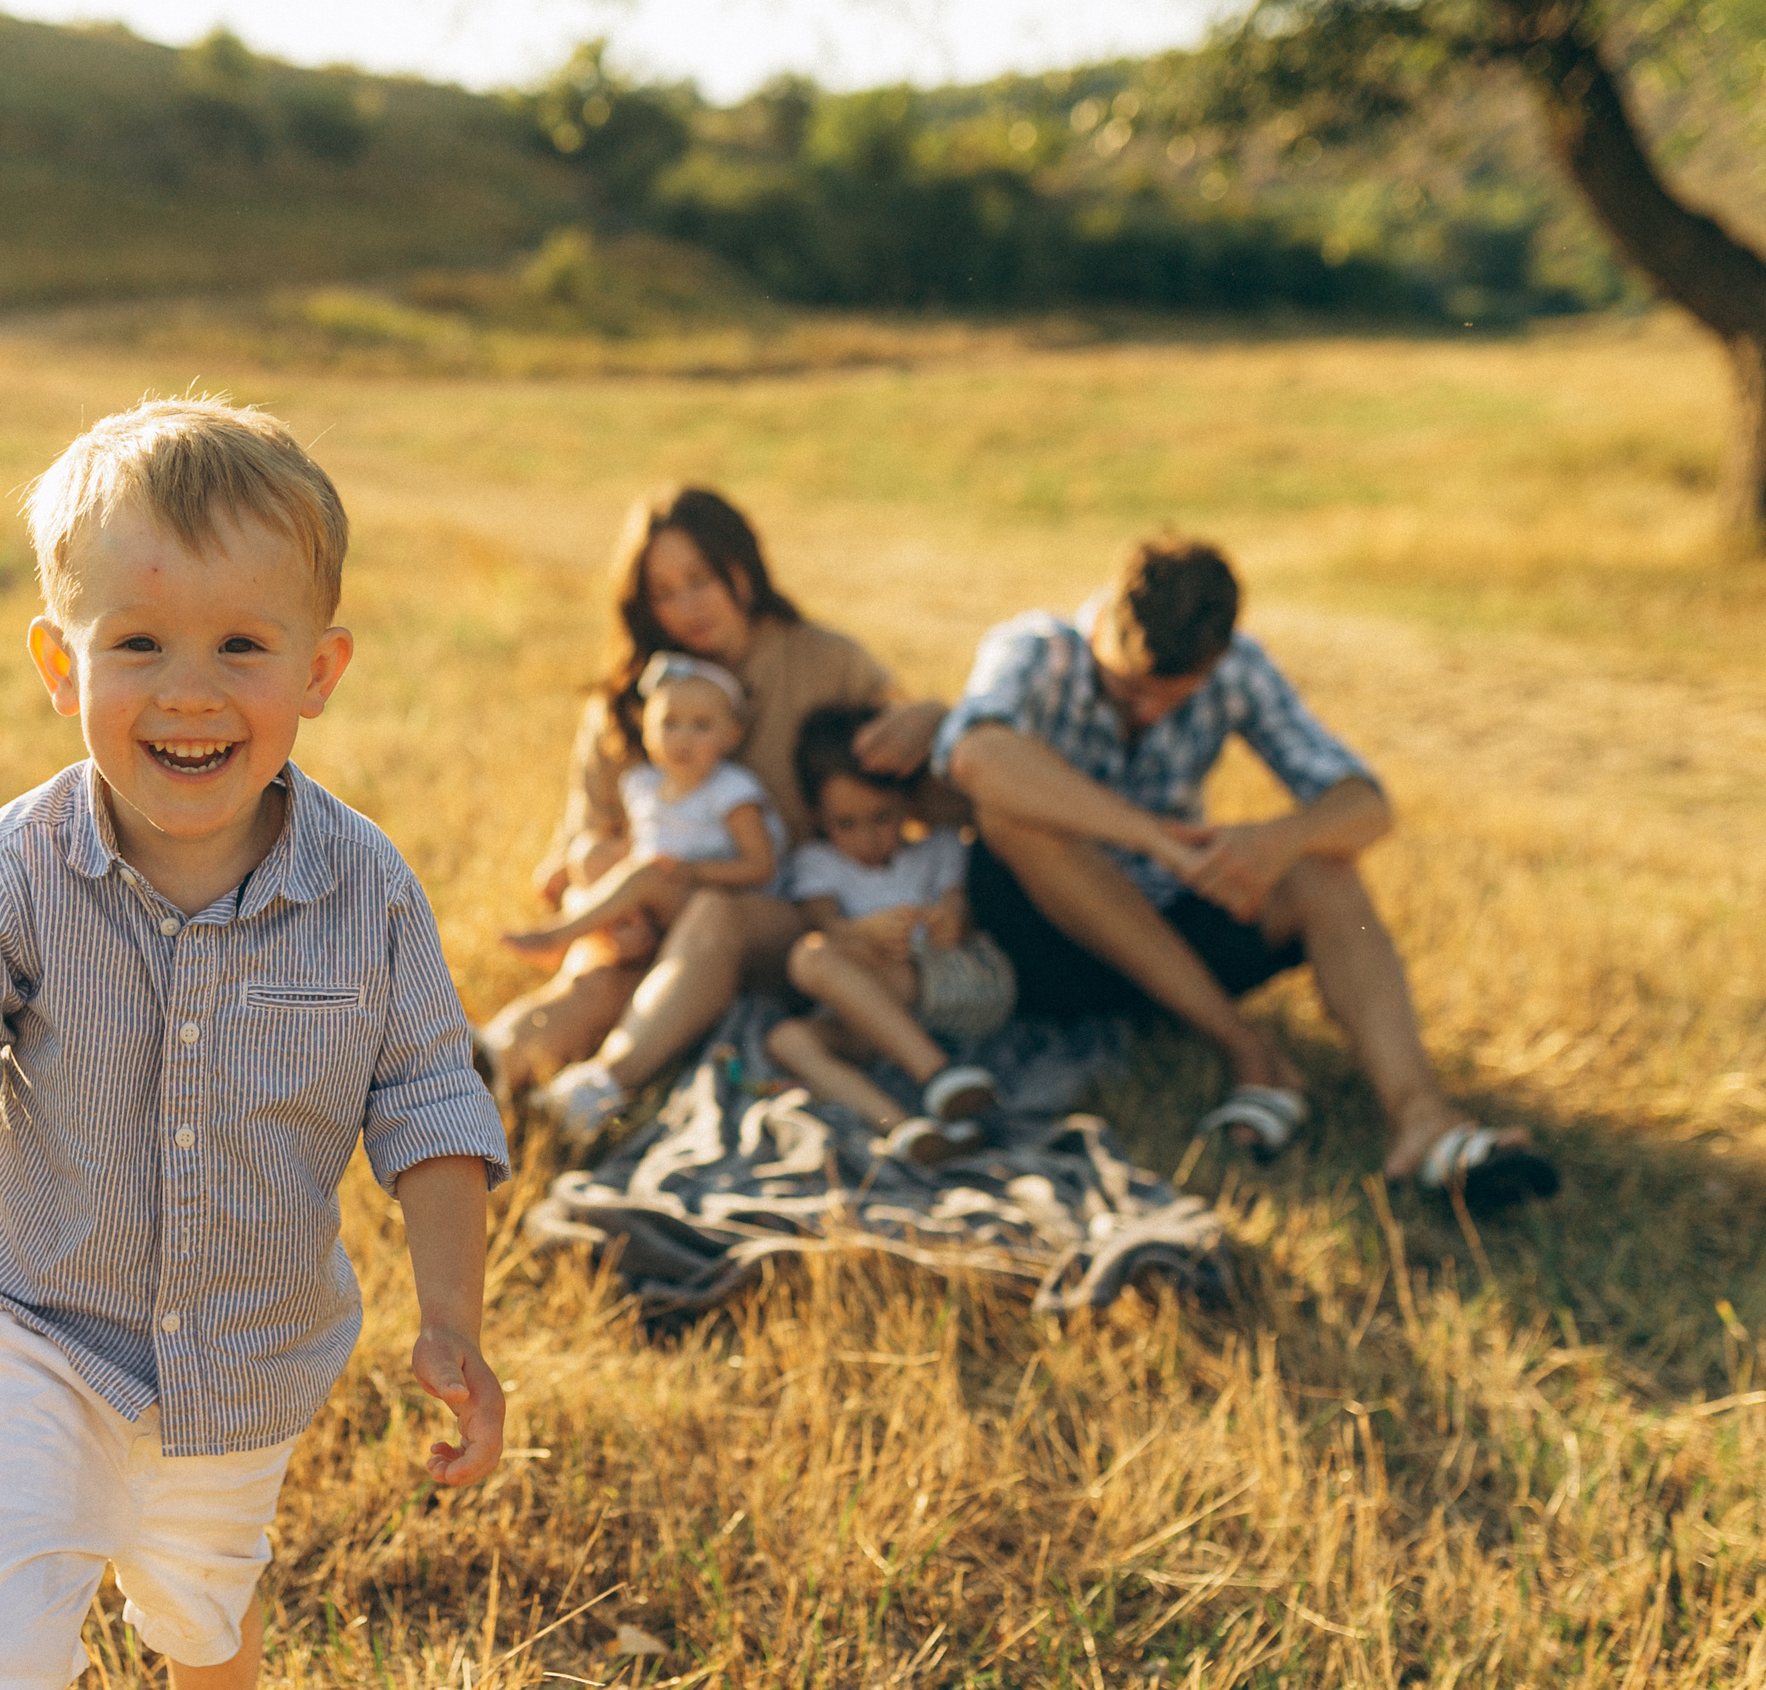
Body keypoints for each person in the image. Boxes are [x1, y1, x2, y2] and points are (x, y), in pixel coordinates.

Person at [0, 398, 511, 1690]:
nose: (189, 690)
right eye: (138, 643)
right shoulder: (12, 873)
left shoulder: (369, 894)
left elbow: (428, 1104)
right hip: (34, 1333)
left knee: (201, 1620)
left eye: (243, 643)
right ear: (61, 666)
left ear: (320, 671)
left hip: (243, 1360)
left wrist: (452, 1311)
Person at [934, 535, 1558, 1212]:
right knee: (1014, 819)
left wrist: (1279, 840)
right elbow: (976, 757)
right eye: (1128, 690)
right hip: (1044, 943)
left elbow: (1365, 804)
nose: (1146, 712)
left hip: (1173, 918)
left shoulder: (1239, 668)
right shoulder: (1034, 648)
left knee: (1326, 874)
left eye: (1172, 698)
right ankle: (1245, 1047)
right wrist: (1153, 838)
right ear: (1106, 620)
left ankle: (1423, 1120)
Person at [474, 485, 947, 1140]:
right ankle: (481, 1070)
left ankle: (605, 1082)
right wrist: (609, 897)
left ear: (743, 570)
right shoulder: (631, 700)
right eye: (663, 594)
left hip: (780, 916)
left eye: (699, 581)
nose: (685, 608)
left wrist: (933, 716)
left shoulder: (826, 662)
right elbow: (581, 842)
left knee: (714, 914)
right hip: (653, 915)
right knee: (601, 980)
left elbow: (921, 768)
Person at [766, 706, 1012, 1157]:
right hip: (874, 1014)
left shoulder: (937, 848)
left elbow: (960, 910)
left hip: (952, 983)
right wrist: (861, 934)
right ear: (819, 817)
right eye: (846, 824)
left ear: (908, 806)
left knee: (811, 958)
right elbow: (824, 925)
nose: (868, 838)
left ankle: (935, 1076)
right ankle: (903, 1128)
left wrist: (946, 920)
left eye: (882, 818)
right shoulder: (818, 863)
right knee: (787, 1038)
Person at [501, 652, 778, 960]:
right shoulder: (643, 784)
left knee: (648, 874)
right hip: (653, 897)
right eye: (669, 724)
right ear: (647, 732)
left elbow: (761, 866)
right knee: (592, 854)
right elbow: (641, 842)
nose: (683, 738)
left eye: (701, 726)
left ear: (732, 734)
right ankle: (630, 934)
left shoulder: (731, 789)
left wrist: (691, 870)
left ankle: (560, 935)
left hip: (706, 900)